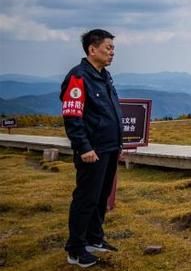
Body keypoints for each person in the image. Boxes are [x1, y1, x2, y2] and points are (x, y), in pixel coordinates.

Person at [61, 29, 123, 268]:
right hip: (92, 151)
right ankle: (75, 250)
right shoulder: (78, 77)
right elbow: (72, 116)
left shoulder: (104, 76)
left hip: (109, 148)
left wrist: (119, 144)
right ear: (92, 49)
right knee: (85, 199)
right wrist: (84, 147)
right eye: (108, 48)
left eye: (113, 49)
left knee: (100, 198)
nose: (112, 52)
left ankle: (94, 238)